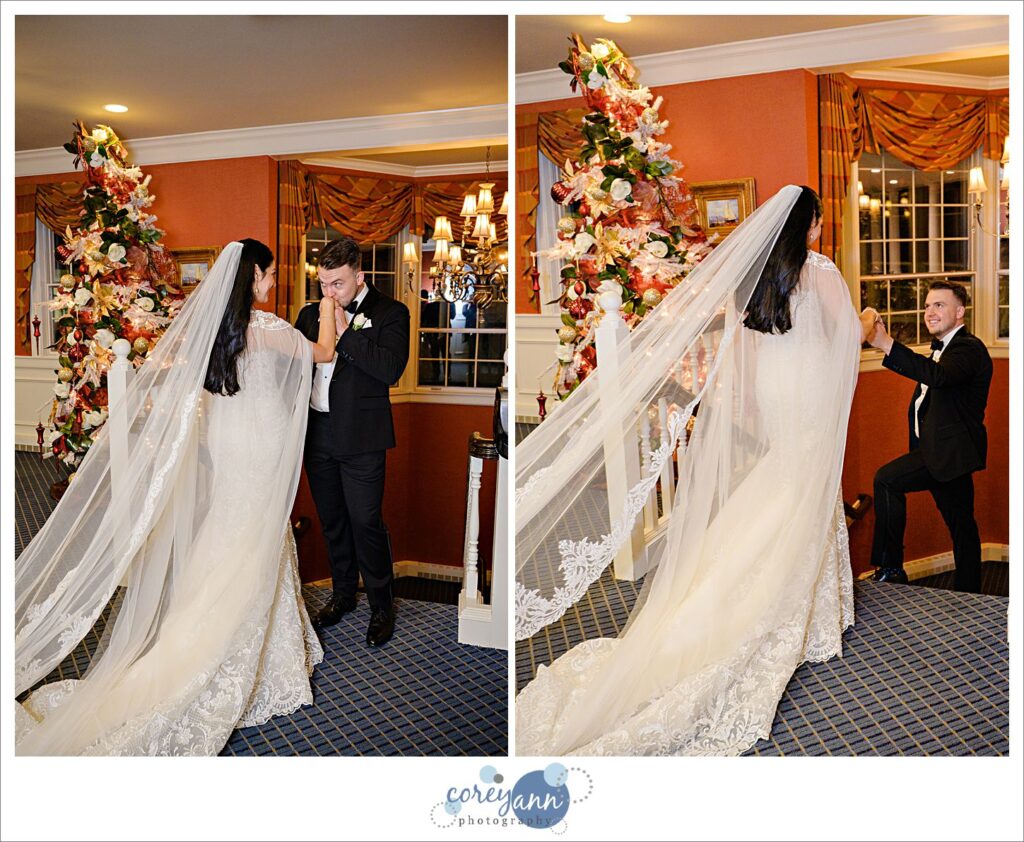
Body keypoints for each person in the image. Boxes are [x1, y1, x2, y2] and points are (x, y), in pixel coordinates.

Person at [515, 186, 876, 756]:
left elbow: (748, 351)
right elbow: (850, 336)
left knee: (785, 482)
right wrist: (872, 315)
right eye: (819, 222)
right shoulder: (821, 270)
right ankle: (796, 601)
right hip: (806, 393)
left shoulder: (756, 278)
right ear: (811, 226)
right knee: (804, 486)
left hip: (775, 391)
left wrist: (752, 401)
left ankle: (788, 590)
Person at [16, 239, 340, 755]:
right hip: (262, 445)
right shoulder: (266, 327)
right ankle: (236, 646)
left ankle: (242, 633)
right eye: (271, 274)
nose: (274, 282)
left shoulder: (213, 333)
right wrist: (326, 310)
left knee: (231, 530)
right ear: (253, 277)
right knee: (257, 535)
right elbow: (323, 353)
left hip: (232, 447)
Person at [295, 237, 410, 646]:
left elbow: (390, 369)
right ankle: (343, 594)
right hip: (318, 434)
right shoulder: (308, 316)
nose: (329, 293)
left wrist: (345, 332)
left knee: (366, 522)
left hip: (362, 438)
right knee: (333, 521)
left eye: (338, 284)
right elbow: (295, 370)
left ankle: (382, 604)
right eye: (324, 284)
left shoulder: (391, 312)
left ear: (359, 276)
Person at [865, 282, 993, 592]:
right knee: (962, 526)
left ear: (960, 312)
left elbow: (939, 377)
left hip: (947, 456)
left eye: (939, 305)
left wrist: (886, 343)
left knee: (886, 480)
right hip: (940, 454)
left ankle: (892, 567)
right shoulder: (943, 351)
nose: (929, 312)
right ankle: (969, 591)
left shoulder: (969, 348)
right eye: (927, 306)